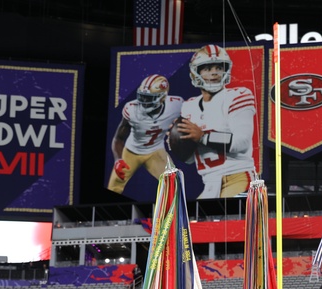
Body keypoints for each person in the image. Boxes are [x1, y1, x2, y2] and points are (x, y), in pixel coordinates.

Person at [169, 45, 255, 198]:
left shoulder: (237, 96)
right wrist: (176, 141)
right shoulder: (189, 106)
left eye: (218, 67)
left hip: (238, 177)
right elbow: (189, 160)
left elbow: (242, 142)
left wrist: (202, 136)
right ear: (196, 73)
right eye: (207, 69)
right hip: (209, 183)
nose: (214, 72)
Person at [107, 74, 183, 194]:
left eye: (149, 98)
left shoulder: (176, 106)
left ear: (162, 97)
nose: (143, 101)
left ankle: (170, 212)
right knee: (113, 187)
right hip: (131, 151)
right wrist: (118, 159)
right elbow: (119, 138)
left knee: (175, 184)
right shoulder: (131, 109)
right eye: (142, 97)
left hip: (156, 151)